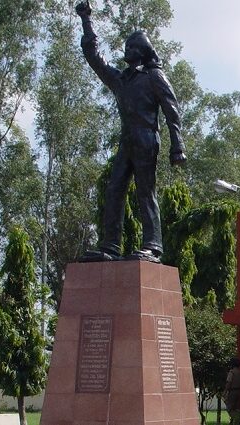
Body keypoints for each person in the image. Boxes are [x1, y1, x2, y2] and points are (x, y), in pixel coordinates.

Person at [75, 0, 186, 264]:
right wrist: (86, 20)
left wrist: (177, 145)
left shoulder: (153, 77)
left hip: (147, 137)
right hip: (126, 140)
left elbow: (172, 110)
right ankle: (110, 246)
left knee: (145, 191)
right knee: (115, 189)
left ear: (143, 51)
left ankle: (153, 246)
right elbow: (94, 57)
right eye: (126, 46)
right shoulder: (120, 79)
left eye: (132, 46)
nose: (127, 49)